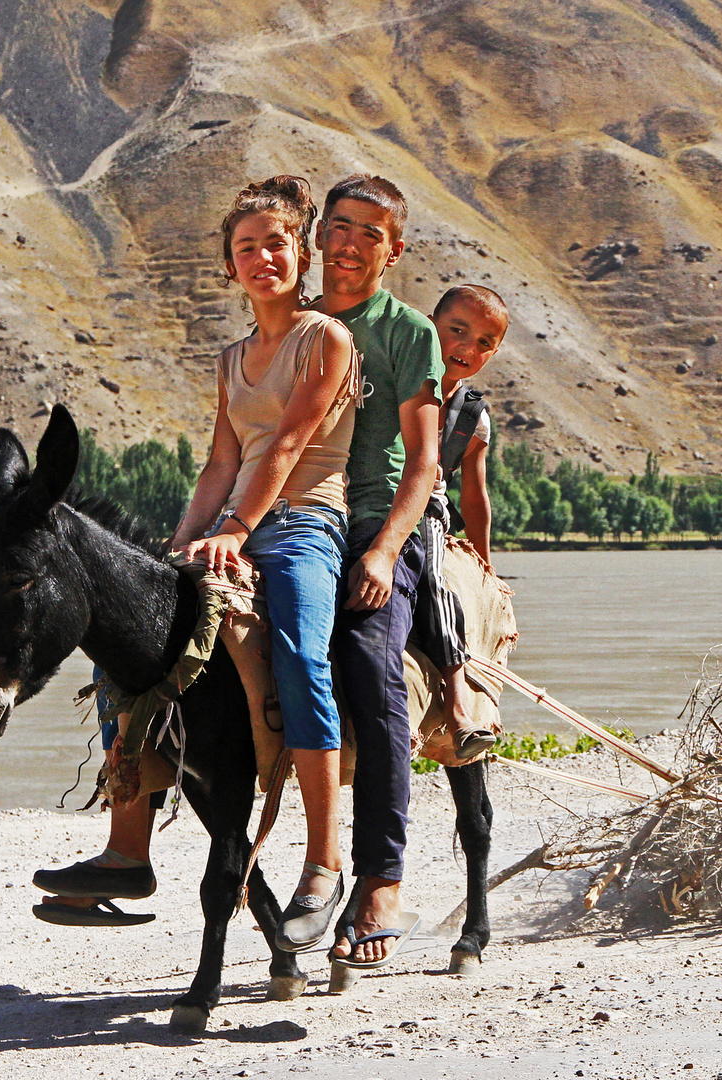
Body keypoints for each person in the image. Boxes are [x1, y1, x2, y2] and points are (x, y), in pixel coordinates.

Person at [33, 177, 360, 951]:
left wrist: (239, 528)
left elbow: (286, 446)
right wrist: (180, 544)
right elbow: (221, 462)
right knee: (131, 640)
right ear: (229, 266)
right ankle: (127, 849)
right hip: (229, 524)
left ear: (302, 252)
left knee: (301, 656)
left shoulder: (326, 339)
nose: (261, 258)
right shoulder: (231, 358)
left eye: (275, 244)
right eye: (245, 248)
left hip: (305, 523)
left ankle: (325, 860)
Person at [312, 174, 444, 968]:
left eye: (371, 231)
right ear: (319, 234)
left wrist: (386, 550)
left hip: (379, 519)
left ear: (394, 249)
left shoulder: (407, 332)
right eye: (341, 225)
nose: (352, 242)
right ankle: (131, 842)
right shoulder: (291, 320)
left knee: (369, 660)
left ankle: (382, 879)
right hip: (298, 517)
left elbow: (424, 462)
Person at [413, 284, 511, 760]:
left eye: (485, 343)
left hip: (424, 510)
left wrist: (485, 568)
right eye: (458, 331)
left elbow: (474, 496)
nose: (468, 349)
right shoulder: (394, 375)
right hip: (358, 498)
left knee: (433, 581)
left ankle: (456, 704)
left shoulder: (473, 415)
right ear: (432, 324)